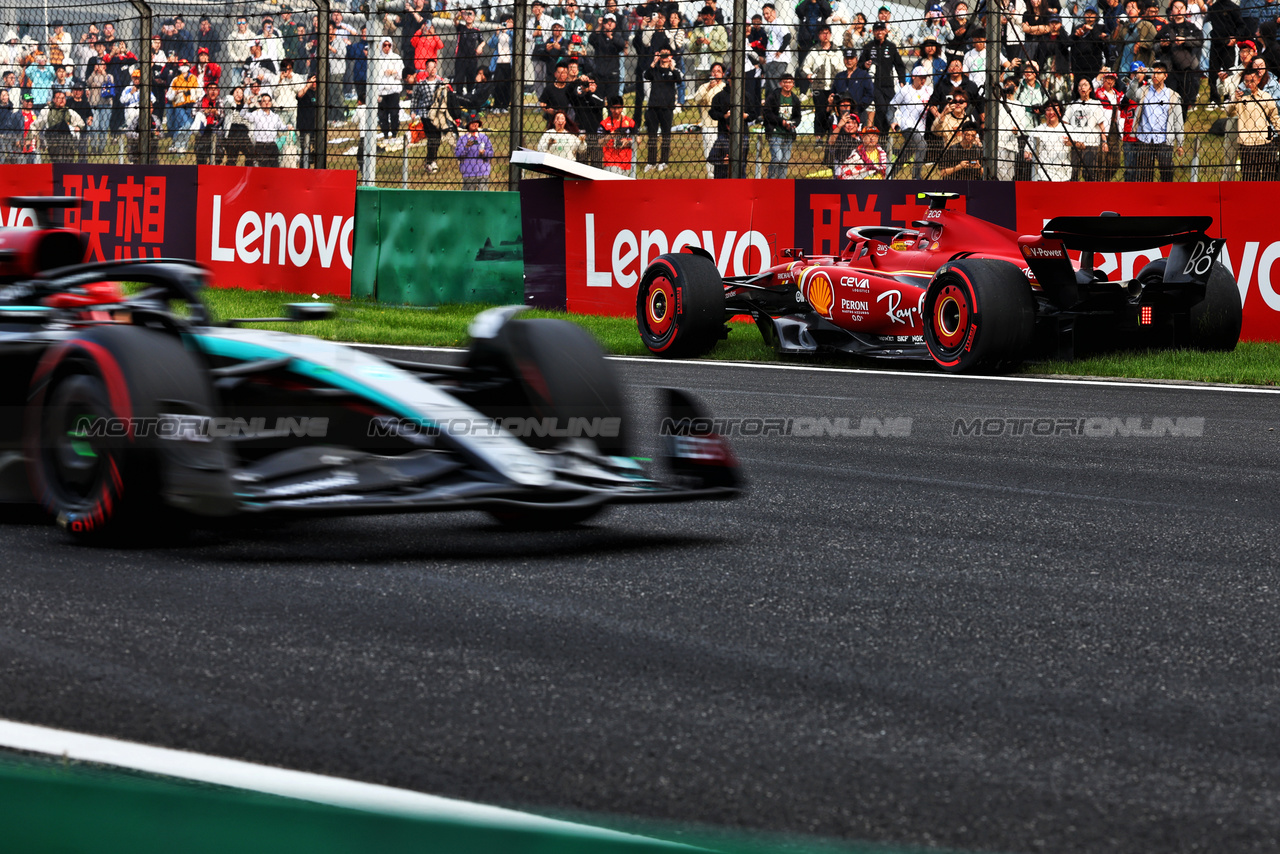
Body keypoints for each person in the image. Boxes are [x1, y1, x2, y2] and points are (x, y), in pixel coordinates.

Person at [1132, 61, 1184, 179]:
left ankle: (1166, 195)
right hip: (1144, 138)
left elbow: (1178, 121)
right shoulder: (1144, 91)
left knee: (1166, 171)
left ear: (1165, 76)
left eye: (1159, 73)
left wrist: (1180, 143)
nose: (1155, 76)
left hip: (1164, 140)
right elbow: (1130, 94)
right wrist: (1136, 79)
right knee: (1144, 173)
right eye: (1154, 73)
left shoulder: (1173, 96)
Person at [1226, 66, 1279, 179]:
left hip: (1265, 141)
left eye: (1252, 81)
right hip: (1247, 143)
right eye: (1246, 81)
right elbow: (1229, 112)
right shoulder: (1240, 98)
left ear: (1258, 80)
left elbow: (1275, 118)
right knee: (1249, 177)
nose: (1249, 84)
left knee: (1269, 176)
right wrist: (1235, 99)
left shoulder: (1266, 97)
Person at [1155, 0, 1203, 117]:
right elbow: (1154, 45)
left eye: (1181, 7)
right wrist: (1161, 45)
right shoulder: (1166, 28)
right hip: (1170, 70)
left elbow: (1200, 41)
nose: (1179, 10)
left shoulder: (1191, 27)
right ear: (1172, 10)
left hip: (1187, 69)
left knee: (1184, 101)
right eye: (1176, 7)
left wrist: (1185, 41)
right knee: (1170, 101)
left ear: (1186, 10)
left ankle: (1180, 127)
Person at [861, 22, 906, 132]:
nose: (879, 32)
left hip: (888, 84)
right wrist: (864, 65)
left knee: (888, 110)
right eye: (877, 30)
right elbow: (859, 65)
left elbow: (899, 65)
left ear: (886, 31)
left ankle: (883, 138)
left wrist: (902, 80)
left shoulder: (891, 46)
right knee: (880, 109)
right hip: (873, 85)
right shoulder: (868, 47)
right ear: (874, 32)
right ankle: (878, 136)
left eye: (882, 29)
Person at [889, 66, 933, 177]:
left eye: (925, 78)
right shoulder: (905, 90)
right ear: (913, 77)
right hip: (907, 126)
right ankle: (916, 178)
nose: (923, 80)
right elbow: (892, 106)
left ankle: (889, 176)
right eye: (920, 77)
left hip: (921, 129)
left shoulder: (929, 90)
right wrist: (892, 121)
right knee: (922, 145)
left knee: (904, 156)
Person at [1062, 75, 1108, 179]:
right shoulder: (1072, 105)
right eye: (1080, 85)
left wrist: (1104, 142)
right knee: (1073, 173)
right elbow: (1065, 123)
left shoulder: (1096, 103)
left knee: (1090, 174)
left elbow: (1101, 125)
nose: (1083, 88)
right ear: (1077, 88)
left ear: (1090, 88)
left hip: (1091, 144)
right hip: (1075, 144)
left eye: (1085, 85)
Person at [643, 47, 682, 171]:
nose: (664, 56)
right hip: (653, 106)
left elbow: (679, 80)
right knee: (652, 135)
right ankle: (651, 161)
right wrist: (654, 63)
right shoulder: (655, 70)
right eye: (662, 54)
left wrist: (672, 67)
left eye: (667, 54)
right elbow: (646, 75)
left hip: (667, 107)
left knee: (666, 135)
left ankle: (664, 161)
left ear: (671, 56)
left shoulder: (674, 70)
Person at [803, 25, 844, 135]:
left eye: (827, 33)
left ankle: (832, 134)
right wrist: (809, 75)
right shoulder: (814, 51)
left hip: (834, 86)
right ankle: (819, 136)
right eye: (822, 33)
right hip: (819, 86)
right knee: (820, 112)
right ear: (818, 35)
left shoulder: (837, 51)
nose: (825, 35)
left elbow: (842, 68)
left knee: (835, 111)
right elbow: (805, 67)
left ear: (830, 35)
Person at [691, 62, 727, 176]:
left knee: (724, 154)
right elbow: (696, 99)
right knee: (710, 155)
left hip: (723, 126)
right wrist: (708, 87)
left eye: (718, 71)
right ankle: (711, 176)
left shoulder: (725, 88)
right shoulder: (704, 86)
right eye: (713, 71)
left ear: (723, 74)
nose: (715, 74)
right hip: (709, 126)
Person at [764, 72, 801, 178]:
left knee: (785, 161)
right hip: (775, 131)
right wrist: (781, 122)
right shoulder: (773, 96)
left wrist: (793, 124)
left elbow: (798, 117)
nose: (787, 84)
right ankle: (771, 180)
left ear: (793, 84)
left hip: (788, 133)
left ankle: (781, 183)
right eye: (785, 82)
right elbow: (767, 112)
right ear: (780, 83)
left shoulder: (795, 99)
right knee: (777, 158)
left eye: (790, 82)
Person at [32, 89, 84, 162]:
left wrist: (78, 127)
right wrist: (31, 137)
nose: (61, 100)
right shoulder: (47, 111)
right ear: (53, 99)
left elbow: (81, 122)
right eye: (59, 98)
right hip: (53, 140)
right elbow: (36, 126)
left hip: (67, 142)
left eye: (63, 98)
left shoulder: (68, 111)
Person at [1026, 99, 1073, 179]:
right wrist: (1030, 157)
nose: (1051, 112)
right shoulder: (1037, 130)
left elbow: (1082, 146)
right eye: (1048, 110)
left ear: (1060, 113)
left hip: (1064, 177)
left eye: (1055, 109)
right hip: (1042, 177)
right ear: (1044, 113)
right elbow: (1027, 152)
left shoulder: (1069, 129)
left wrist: (1073, 143)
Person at [689, 6, 729, 87]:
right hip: (700, 68)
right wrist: (697, 43)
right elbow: (691, 48)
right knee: (700, 94)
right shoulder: (697, 29)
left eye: (707, 19)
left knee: (715, 93)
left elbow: (724, 48)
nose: (705, 21)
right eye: (704, 19)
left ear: (713, 16)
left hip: (715, 68)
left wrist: (710, 43)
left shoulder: (720, 29)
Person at [167, 59, 201, 155]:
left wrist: (191, 92)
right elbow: (168, 96)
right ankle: (178, 146)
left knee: (186, 127)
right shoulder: (176, 80)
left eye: (186, 64)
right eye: (182, 64)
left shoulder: (194, 78)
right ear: (179, 67)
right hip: (180, 106)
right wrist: (175, 92)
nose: (184, 66)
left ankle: (180, 148)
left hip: (191, 106)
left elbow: (200, 92)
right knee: (186, 125)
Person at [372, 37, 403, 138]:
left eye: (389, 45)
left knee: (394, 114)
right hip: (381, 92)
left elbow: (402, 74)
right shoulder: (377, 59)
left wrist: (394, 72)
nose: (387, 47)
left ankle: (394, 134)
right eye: (384, 45)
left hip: (393, 91)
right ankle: (385, 134)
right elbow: (374, 77)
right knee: (382, 115)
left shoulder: (397, 58)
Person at [598, 95, 636, 175]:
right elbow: (600, 142)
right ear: (610, 109)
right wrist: (611, 135)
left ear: (622, 108)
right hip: (610, 161)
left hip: (626, 161)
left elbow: (638, 140)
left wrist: (627, 142)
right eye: (614, 108)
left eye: (618, 108)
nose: (616, 111)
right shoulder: (604, 123)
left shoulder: (630, 122)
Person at [455, 112, 494, 189]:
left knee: (483, 196)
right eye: (472, 123)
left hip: (483, 172)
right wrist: (466, 147)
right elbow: (458, 155)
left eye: (476, 123)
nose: (475, 125)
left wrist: (484, 153)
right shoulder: (463, 139)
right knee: (468, 197)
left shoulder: (484, 137)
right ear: (468, 125)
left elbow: (491, 153)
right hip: (468, 173)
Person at [248, 91, 287, 166]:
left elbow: (281, 127)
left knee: (274, 167)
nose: (267, 103)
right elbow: (243, 115)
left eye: (269, 101)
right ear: (260, 103)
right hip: (260, 144)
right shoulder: (256, 114)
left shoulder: (275, 116)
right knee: (263, 167)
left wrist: (288, 127)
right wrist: (247, 104)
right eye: (264, 101)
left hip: (272, 145)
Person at [761, 3, 792, 94]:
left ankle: (776, 105)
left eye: (768, 13)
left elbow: (787, 37)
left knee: (775, 86)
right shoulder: (772, 25)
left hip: (778, 60)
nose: (766, 16)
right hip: (772, 60)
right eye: (764, 14)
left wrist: (780, 51)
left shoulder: (778, 23)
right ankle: (771, 105)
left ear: (774, 12)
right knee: (770, 86)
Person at [194, 82, 222, 164]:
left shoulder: (219, 101)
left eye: (215, 89)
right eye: (211, 89)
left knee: (218, 154)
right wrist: (204, 111)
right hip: (203, 129)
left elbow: (223, 115)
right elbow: (193, 113)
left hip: (215, 128)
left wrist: (216, 112)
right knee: (201, 154)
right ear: (206, 91)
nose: (213, 92)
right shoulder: (200, 100)